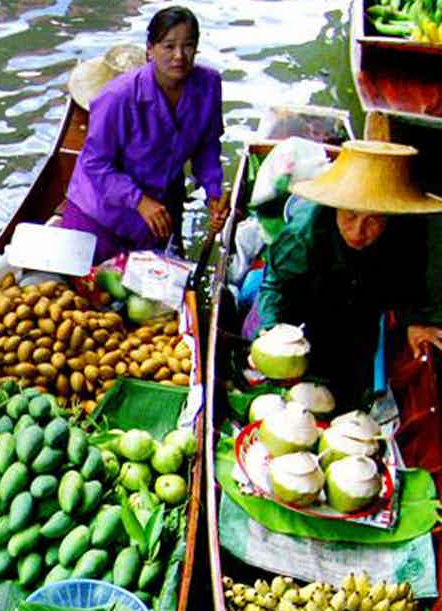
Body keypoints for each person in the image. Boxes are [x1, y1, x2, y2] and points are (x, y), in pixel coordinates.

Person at [247, 140, 442, 401]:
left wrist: (415, 319)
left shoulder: (409, 232)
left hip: (361, 306)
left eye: (373, 220)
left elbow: (413, 276)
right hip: (307, 295)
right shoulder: (303, 235)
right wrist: (272, 331)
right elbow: (277, 286)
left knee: (348, 378)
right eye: (350, 216)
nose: (359, 231)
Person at [60, 7, 226, 262]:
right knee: (93, 293)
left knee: (159, 286)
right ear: (150, 50)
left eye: (188, 45)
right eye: (169, 46)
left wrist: (214, 193)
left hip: (159, 211)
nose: (179, 56)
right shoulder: (117, 97)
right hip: (102, 215)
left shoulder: (208, 84)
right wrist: (139, 201)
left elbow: (207, 145)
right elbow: (95, 163)